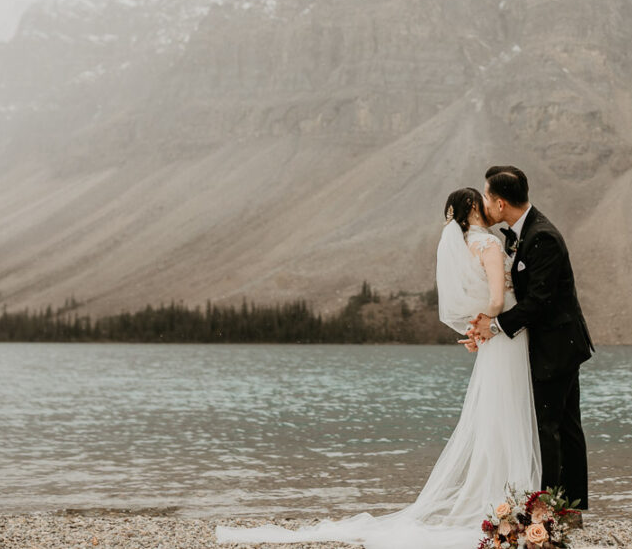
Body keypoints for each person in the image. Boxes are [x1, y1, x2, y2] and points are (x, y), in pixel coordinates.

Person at [216, 186, 540, 549]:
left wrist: (478, 327)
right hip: (505, 338)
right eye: (481, 198)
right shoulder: (490, 245)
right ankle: (513, 500)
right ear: (474, 209)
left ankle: (505, 501)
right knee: (507, 413)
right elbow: (496, 299)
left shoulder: (465, 246)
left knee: (496, 415)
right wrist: (489, 323)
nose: (486, 200)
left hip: (493, 342)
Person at [469, 165, 594, 516]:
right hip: (557, 345)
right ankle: (569, 508)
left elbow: (540, 302)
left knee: (550, 427)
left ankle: (550, 510)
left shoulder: (543, 237)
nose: (485, 205)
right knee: (565, 426)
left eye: (487, 198)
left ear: (499, 203)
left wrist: (492, 327)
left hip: (557, 347)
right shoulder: (522, 232)